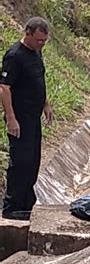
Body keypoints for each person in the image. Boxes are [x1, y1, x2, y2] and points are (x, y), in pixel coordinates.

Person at [1, 17, 53, 221]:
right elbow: (4, 88)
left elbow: (38, 80)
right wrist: (11, 118)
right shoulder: (15, 56)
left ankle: (26, 204)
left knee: (33, 161)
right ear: (28, 33)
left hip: (34, 116)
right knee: (20, 162)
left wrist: (46, 104)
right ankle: (12, 206)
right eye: (38, 40)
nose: (41, 44)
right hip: (19, 117)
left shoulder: (36, 53)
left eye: (44, 41)